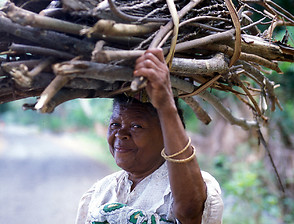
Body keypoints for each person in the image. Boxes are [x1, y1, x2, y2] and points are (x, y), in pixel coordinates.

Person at [76, 48, 223, 224]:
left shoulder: (194, 187)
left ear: (165, 136)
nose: (121, 134)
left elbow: (189, 213)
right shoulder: (100, 192)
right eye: (115, 124)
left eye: (136, 126)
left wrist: (165, 105)